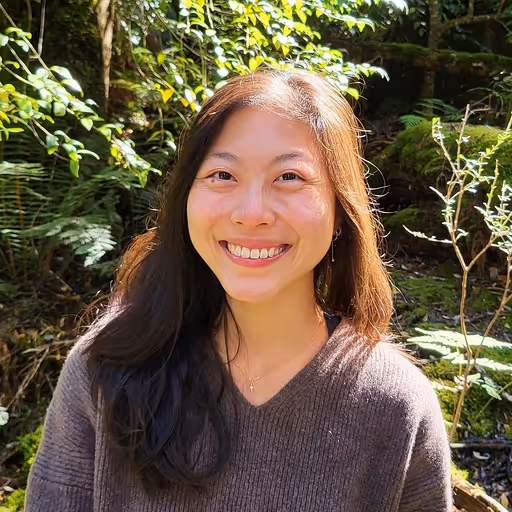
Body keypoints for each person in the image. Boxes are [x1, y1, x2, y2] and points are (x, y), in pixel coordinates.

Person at [25, 70, 452, 511]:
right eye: (223, 174)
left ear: (341, 210)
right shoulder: (106, 368)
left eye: (289, 177)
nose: (251, 213)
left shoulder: (396, 408)